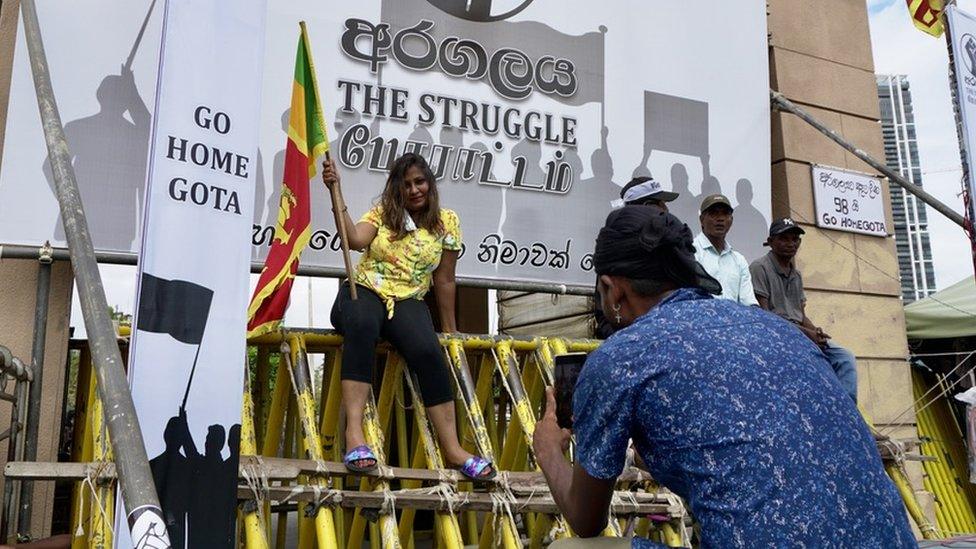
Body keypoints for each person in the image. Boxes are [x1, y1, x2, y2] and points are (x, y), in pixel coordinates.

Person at [532, 206, 915, 547]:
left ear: (611, 290)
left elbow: (586, 520)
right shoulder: (778, 330)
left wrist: (548, 449)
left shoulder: (620, 358)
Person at [322, 152, 495, 481]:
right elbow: (355, 240)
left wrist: (451, 330)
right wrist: (337, 191)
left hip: (408, 298)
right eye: (406, 185)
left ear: (429, 184)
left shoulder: (447, 221)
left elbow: (444, 280)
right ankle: (355, 435)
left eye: (419, 182)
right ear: (396, 189)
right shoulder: (383, 214)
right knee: (361, 323)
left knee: (428, 351)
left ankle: (454, 449)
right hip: (365, 290)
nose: (414, 190)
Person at [594, 177, 720, 339]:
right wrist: (632, 341)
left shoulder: (674, 248)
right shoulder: (615, 256)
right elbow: (605, 318)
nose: (666, 208)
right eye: (660, 203)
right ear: (646, 206)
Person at [749, 218, 859, 401]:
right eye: (784, 239)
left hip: (800, 333)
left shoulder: (796, 274)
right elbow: (764, 315)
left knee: (845, 357)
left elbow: (801, 315)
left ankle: (847, 412)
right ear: (770, 241)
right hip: (776, 334)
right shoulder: (759, 267)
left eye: (795, 239)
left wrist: (815, 331)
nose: (790, 244)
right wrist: (808, 334)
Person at [693, 194, 758, 306]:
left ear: (731, 220)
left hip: (734, 321)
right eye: (714, 213)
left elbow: (749, 302)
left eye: (725, 213)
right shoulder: (691, 252)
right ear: (701, 219)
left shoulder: (739, 260)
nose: (720, 218)